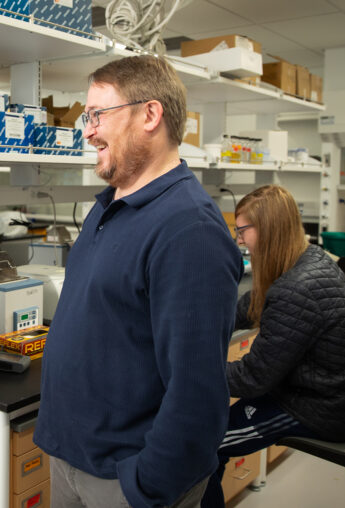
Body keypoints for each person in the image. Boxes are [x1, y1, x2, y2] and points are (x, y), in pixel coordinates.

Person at [33, 55, 243, 508]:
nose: (87, 130)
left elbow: (197, 393)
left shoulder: (190, 230)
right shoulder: (109, 207)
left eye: (97, 115)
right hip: (72, 458)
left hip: (126, 478)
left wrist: (145, 486)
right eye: (86, 117)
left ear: (150, 114)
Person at [201, 185, 345, 507]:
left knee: (202, 443)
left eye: (242, 231)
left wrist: (190, 370)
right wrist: (202, 321)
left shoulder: (296, 289)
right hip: (323, 392)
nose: (239, 241)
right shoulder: (306, 258)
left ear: (268, 229)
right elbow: (253, 304)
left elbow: (252, 379)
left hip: (320, 409)